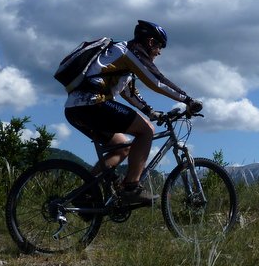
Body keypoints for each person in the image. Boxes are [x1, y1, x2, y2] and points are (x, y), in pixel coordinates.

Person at [64, 20, 196, 204]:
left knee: (123, 147)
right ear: (150, 42)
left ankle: (83, 194)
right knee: (146, 130)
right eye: (159, 46)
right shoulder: (131, 51)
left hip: (75, 109)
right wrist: (188, 100)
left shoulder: (118, 55)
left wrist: (150, 111)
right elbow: (157, 81)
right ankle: (131, 188)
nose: (159, 52)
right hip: (93, 104)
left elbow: (128, 91)